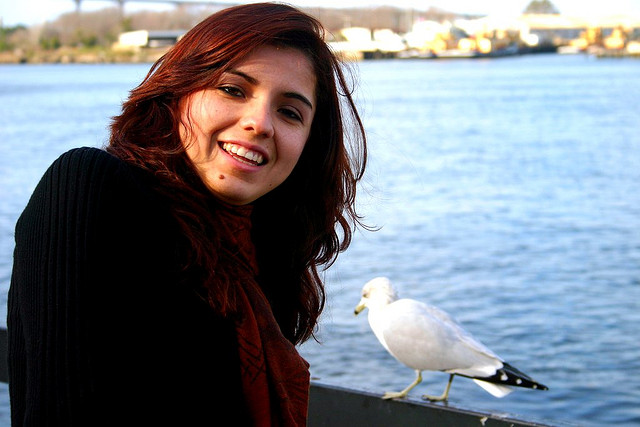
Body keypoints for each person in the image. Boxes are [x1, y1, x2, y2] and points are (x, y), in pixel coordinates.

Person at [7, 3, 367, 426]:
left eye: (290, 112)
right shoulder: (91, 187)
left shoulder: (258, 263)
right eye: (233, 90)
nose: (260, 123)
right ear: (177, 94)